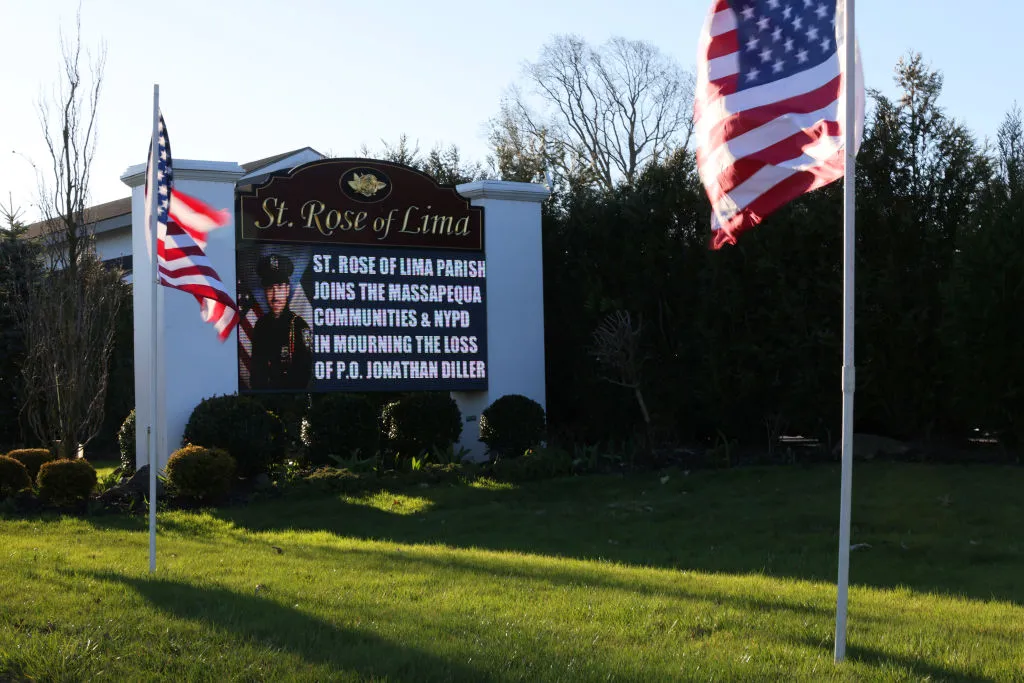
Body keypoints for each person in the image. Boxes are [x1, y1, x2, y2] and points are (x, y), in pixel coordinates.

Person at [248, 253, 313, 390]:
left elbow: (305, 372)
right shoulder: (261, 326)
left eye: (279, 287)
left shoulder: (299, 326)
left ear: (287, 290)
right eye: (270, 288)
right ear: (265, 291)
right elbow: (256, 370)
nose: (275, 295)